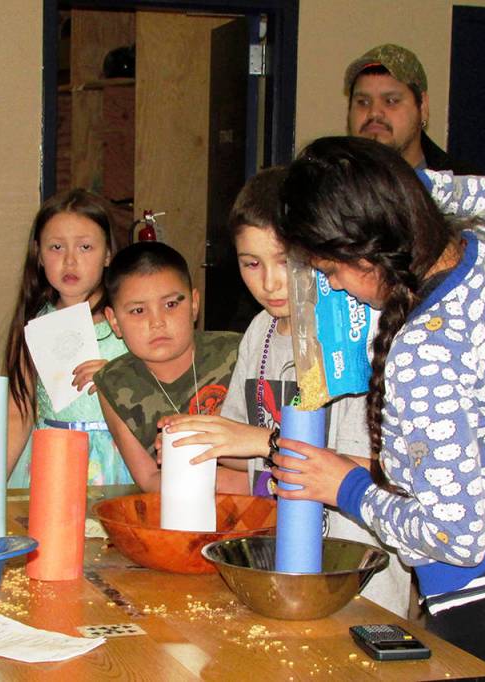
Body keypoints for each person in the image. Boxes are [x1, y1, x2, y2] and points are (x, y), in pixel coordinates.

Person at [270, 136, 485, 679]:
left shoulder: (423, 350)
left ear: (368, 249)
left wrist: (346, 487)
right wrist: (413, 190)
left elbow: (452, 538)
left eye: (332, 270)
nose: (333, 287)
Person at [159, 167, 412, 617]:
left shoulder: (363, 337)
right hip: (277, 567)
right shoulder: (260, 333)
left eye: (286, 261)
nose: (270, 283)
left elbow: (393, 472)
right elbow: (243, 447)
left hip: (359, 584)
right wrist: (202, 442)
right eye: (251, 263)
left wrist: (259, 441)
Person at [93, 241, 248, 494]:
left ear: (194, 304)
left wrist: (255, 484)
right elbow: (149, 478)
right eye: (138, 310)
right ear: (114, 321)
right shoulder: (113, 382)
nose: (157, 322)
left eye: (171, 305)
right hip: (175, 512)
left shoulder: (238, 352)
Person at [4, 188, 132, 487]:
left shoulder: (130, 319)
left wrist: (119, 378)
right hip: (52, 463)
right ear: (38, 253)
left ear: (108, 254)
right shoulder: (34, 326)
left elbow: (164, 388)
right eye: (56, 248)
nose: (70, 261)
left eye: (85, 247)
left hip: (121, 463)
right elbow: (17, 414)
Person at [344, 43, 478, 173]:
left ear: (423, 107)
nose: (374, 113)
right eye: (363, 102)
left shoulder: (460, 189)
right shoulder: (329, 185)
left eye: (390, 101)